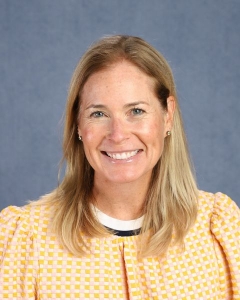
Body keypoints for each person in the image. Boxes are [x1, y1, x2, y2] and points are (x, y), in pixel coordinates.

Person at [0, 35, 239, 300]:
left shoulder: (218, 229)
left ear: (168, 115)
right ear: (78, 124)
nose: (117, 134)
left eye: (136, 111)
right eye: (98, 114)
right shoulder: (26, 239)